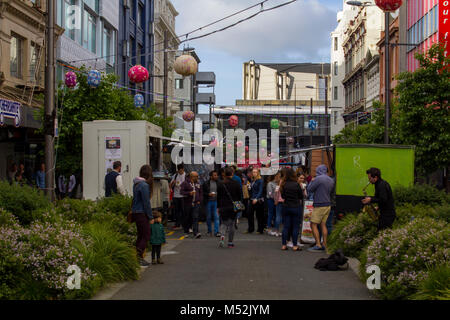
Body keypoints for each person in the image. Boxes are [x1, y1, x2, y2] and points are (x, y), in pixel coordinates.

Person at [306, 165, 334, 252]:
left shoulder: (318, 179)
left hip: (319, 204)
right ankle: (324, 244)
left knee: (313, 224)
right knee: (323, 224)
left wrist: (311, 181)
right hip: (328, 204)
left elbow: (309, 189)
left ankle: (318, 244)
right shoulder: (330, 180)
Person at [132, 165, 154, 266]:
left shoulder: (136, 184)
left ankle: (137, 256)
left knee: (140, 235)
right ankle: (138, 256)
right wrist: (150, 217)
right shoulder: (144, 185)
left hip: (136, 212)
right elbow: (146, 203)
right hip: (142, 213)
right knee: (146, 235)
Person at [217, 167, 243, 248]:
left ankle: (222, 236)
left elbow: (219, 197)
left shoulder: (221, 183)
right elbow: (240, 195)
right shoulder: (236, 183)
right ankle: (230, 242)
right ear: (232, 173)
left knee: (224, 223)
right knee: (232, 224)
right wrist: (239, 204)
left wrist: (218, 207)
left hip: (223, 206)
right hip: (233, 206)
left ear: (224, 173)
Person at [280, 168, 304, 251]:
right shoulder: (296, 184)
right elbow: (301, 196)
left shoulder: (283, 184)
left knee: (286, 226)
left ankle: (283, 245)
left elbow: (282, 197)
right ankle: (294, 245)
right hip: (296, 206)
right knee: (295, 227)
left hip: (286, 206)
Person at [180, 171, 203, 238]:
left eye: (197, 176)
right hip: (188, 203)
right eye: (196, 176)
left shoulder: (198, 183)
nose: (197, 178)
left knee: (195, 217)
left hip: (196, 203)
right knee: (187, 217)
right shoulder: (185, 183)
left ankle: (196, 232)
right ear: (191, 177)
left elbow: (201, 192)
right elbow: (181, 192)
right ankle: (186, 231)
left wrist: (199, 200)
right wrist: (189, 193)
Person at [246, 168, 264, 234]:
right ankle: (250, 229)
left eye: (255, 172)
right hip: (251, 199)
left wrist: (256, 198)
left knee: (259, 215)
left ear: (258, 173)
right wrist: (249, 187)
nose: (254, 173)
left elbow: (260, 191)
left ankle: (260, 229)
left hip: (258, 200)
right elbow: (251, 190)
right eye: (253, 172)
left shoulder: (260, 180)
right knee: (249, 214)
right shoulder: (252, 180)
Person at [203, 170, 220, 237]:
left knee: (216, 217)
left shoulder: (219, 183)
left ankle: (216, 232)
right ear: (211, 176)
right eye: (214, 175)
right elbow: (203, 193)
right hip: (208, 202)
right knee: (208, 217)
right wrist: (208, 194)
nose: (216, 176)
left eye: (216, 175)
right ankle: (209, 230)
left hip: (216, 201)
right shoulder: (206, 183)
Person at [169, 164, 186, 230]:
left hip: (183, 196)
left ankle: (184, 224)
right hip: (176, 195)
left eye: (181, 171)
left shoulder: (186, 175)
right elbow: (170, 185)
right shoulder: (175, 175)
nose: (180, 172)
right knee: (177, 211)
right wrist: (173, 182)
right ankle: (177, 224)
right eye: (179, 171)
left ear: (183, 169)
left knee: (184, 211)